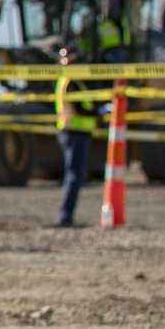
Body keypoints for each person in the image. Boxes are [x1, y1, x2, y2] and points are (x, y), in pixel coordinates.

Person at [51, 44, 97, 228]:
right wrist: (97, 113)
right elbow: (80, 109)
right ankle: (65, 216)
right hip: (74, 132)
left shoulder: (69, 80)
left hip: (73, 131)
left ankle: (66, 216)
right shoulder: (71, 82)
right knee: (73, 176)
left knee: (74, 175)